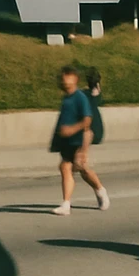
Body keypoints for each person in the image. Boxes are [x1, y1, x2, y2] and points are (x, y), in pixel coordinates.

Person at [52, 66, 110, 215]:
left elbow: (87, 121)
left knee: (83, 170)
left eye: (68, 76)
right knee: (65, 167)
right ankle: (66, 204)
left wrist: (83, 149)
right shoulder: (67, 98)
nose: (64, 80)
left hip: (79, 140)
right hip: (68, 142)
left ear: (75, 79)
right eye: (63, 77)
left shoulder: (80, 97)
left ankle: (100, 190)